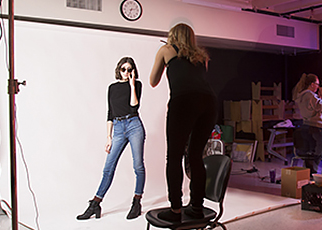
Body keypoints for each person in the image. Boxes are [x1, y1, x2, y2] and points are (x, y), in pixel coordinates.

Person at [148, 23, 217, 222]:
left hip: (184, 101)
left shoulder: (166, 50)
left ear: (172, 36)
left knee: (175, 156)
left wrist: (165, 61)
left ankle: (176, 209)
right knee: (195, 155)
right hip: (209, 102)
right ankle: (196, 207)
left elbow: (153, 80)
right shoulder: (202, 56)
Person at [77, 57, 146, 220]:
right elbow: (110, 112)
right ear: (119, 70)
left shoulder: (137, 85)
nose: (126, 72)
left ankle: (136, 202)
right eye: (123, 69)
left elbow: (134, 106)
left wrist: (131, 85)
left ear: (133, 71)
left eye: (129, 69)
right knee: (108, 168)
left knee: (138, 166)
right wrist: (108, 137)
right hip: (118, 128)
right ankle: (95, 203)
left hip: (134, 125)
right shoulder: (112, 88)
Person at [293, 73, 322, 175]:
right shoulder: (310, 95)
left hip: (306, 126)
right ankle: (313, 176)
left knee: (309, 154)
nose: (318, 86)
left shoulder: (302, 95)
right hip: (316, 128)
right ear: (312, 84)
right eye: (317, 84)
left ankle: (307, 175)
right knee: (316, 154)